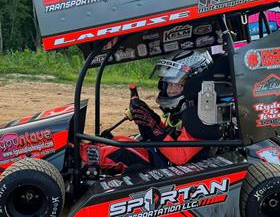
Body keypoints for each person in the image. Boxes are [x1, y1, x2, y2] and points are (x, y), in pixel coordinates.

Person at [81, 49, 221, 173]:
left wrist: (154, 128)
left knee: (122, 151)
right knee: (119, 140)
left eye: (177, 85)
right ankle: (80, 149)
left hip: (172, 169)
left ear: (193, 84)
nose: (170, 90)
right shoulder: (186, 110)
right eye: (169, 84)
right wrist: (150, 119)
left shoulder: (203, 115)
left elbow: (180, 156)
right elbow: (173, 135)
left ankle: (80, 158)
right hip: (163, 158)